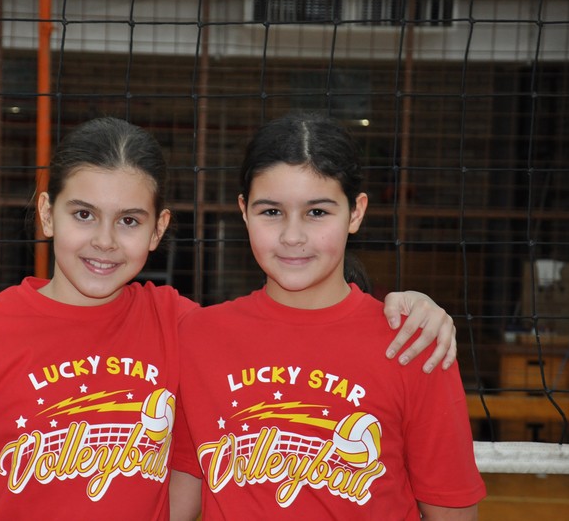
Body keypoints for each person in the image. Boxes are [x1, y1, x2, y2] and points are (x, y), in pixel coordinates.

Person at [0, 117, 459, 520]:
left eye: (129, 221)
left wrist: (419, 306)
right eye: (83, 214)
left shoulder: (183, 326)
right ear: (46, 213)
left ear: (158, 229)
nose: (104, 241)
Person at [170, 112, 486, 520]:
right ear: (244, 211)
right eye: (271, 212)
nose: (292, 236)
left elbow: (451, 511)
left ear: (355, 213)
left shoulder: (413, 340)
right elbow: (181, 492)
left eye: (317, 212)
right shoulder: (198, 335)